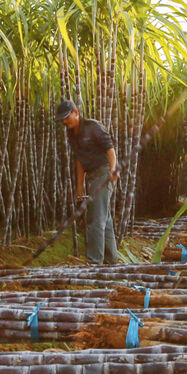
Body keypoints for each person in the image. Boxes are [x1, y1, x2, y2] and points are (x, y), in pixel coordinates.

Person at [55, 100, 119, 265]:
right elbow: (79, 160)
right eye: (62, 119)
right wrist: (80, 186)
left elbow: (110, 149)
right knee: (105, 218)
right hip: (91, 176)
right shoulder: (71, 133)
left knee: (95, 219)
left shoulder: (93, 127)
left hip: (104, 173)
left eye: (66, 117)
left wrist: (113, 170)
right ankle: (111, 261)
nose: (64, 122)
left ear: (76, 112)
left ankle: (94, 262)